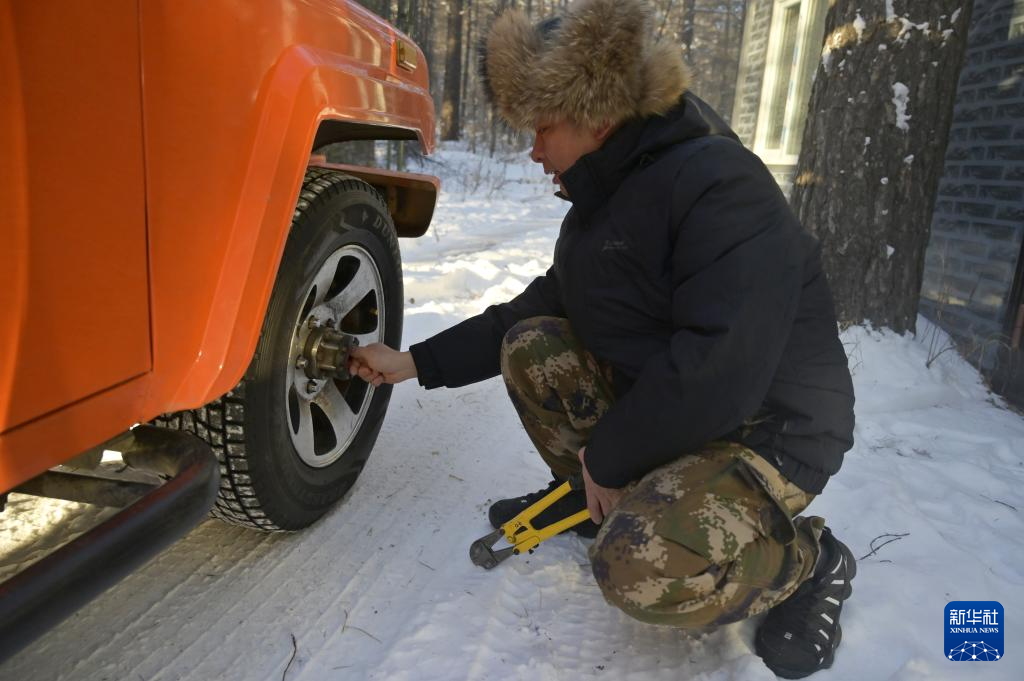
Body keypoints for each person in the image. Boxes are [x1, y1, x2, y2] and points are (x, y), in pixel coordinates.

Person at [348, 0, 857, 677]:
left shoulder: (721, 185)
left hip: (772, 433)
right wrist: (411, 362)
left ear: (595, 114)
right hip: (692, 413)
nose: (533, 148)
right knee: (531, 344)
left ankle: (809, 560)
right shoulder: (602, 207)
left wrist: (610, 455)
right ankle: (611, 501)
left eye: (543, 126)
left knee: (635, 566)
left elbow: (720, 366)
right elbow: (529, 313)